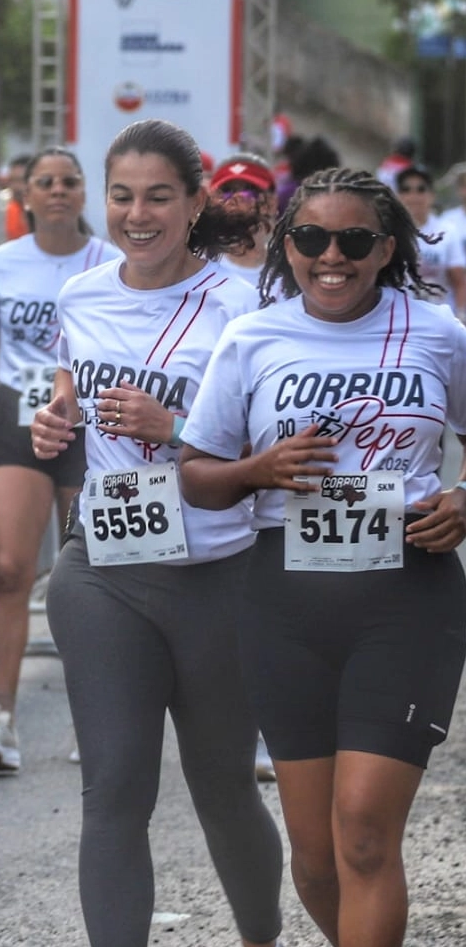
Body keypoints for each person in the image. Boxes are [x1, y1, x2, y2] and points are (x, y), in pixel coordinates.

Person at [179, 166, 466, 947]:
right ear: (284, 246)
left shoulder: (436, 331)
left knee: (365, 833)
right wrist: (255, 471)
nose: (328, 256)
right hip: (284, 602)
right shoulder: (253, 335)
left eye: (352, 240)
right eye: (309, 238)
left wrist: (462, 498)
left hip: (407, 596)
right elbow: (196, 477)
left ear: (386, 249)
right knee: (314, 858)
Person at [29, 119, 284, 947]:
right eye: (122, 197)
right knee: (114, 787)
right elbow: (69, 392)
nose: (137, 215)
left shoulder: (245, 308)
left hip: (217, 573)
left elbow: (266, 450)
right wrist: (53, 422)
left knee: (221, 787)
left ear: (194, 201)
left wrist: (172, 424)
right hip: (102, 569)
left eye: (158, 197)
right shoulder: (80, 294)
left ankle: (259, 936)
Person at [0, 146, 118, 772]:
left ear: (84, 194)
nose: (59, 192)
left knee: (88, 576)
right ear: (24, 194)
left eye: (70, 181)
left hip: (89, 429)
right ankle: (2, 717)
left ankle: (94, 716)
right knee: (8, 569)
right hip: (17, 421)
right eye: (45, 183)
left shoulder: (111, 264)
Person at [395, 164, 466, 315]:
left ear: (432, 195)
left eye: (421, 189)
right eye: (406, 189)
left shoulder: (447, 232)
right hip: (402, 318)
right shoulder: (389, 232)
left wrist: (461, 316)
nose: (413, 196)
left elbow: (459, 282)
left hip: (440, 317)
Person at [210, 151, 277, 290]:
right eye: (227, 190)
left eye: (249, 190)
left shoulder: (289, 270)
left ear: (270, 203)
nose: (236, 198)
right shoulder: (195, 268)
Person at [3, 153, 31, 240]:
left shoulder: (49, 215)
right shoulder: (12, 210)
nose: (15, 187)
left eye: (20, 181)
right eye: (12, 181)